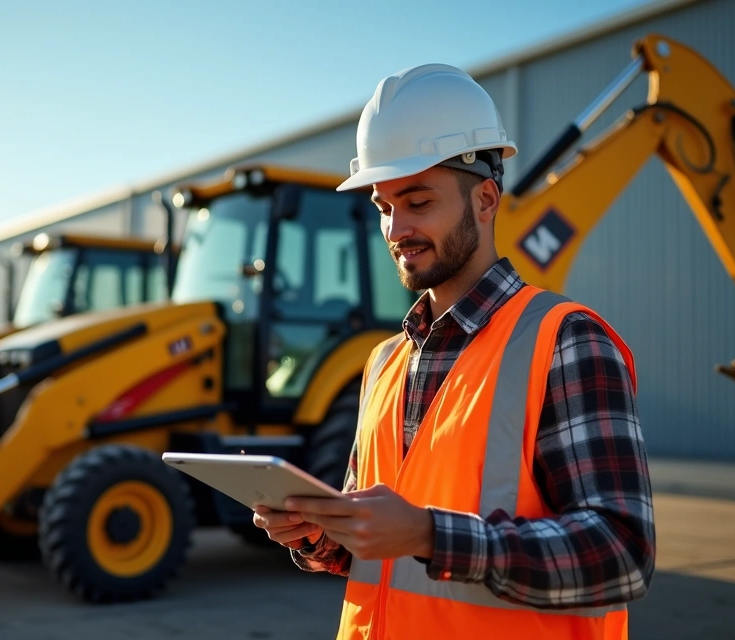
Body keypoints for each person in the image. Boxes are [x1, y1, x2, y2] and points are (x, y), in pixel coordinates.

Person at [251, 63, 656, 638]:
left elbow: (620, 554)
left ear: (486, 199)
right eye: (384, 206)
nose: (395, 229)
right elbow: (368, 552)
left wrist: (429, 535)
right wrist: (315, 533)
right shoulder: (385, 361)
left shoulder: (567, 341)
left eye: (418, 202)